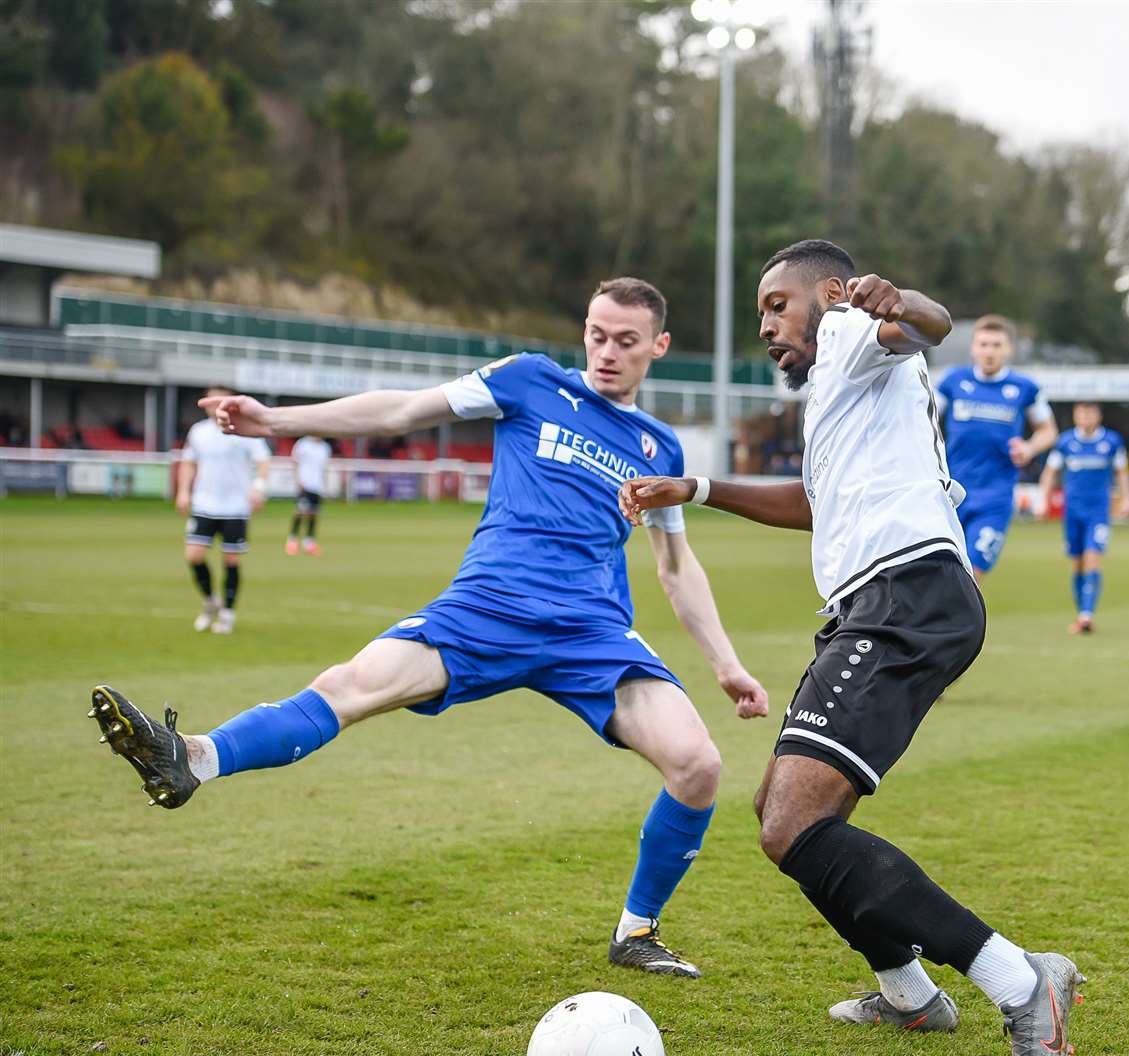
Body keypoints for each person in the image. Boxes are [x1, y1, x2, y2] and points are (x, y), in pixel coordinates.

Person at [89, 278, 769, 977]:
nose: (606, 352)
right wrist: (279, 422)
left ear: (657, 346)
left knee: (699, 765)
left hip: (590, 632)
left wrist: (726, 664)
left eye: (626, 341)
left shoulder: (660, 449)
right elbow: (402, 410)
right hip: (487, 608)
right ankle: (192, 757)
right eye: (597, 334)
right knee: (351, 685)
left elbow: (677, 567)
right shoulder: (529, 381)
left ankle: (636, 933)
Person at [620, 240, 1083, 1056]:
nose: (765, 324)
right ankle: (908, 993)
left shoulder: (849, 334)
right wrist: (699, 488)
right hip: (880, 603)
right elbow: (814, 502)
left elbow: (929, 326)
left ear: (828, 294)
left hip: (906, 593)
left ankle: (1024, 988)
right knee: (780, 814)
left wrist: (895, 298)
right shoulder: (839, 389)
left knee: (794, 821)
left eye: (775, 304)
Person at [932, 315, 1057, 579]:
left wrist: (1030, 448)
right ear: (973, 348)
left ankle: (957, 619)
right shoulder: (953, 381)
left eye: (996, 345)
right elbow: (924, 418)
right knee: (940, 572)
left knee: (972, 573)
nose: (989, 351)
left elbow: (1048, 431)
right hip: (950, 492)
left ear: (1009, 348)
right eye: (984, 344)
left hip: (995, 496)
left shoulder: (1024, 388)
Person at [177, 386, 270, 635]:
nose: (214, 404)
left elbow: (263, 460)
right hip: (204, 505)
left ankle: (227, 613)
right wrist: (183, 491)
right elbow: (188, 462)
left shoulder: (243, 430)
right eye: (210, 399)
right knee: (194, 556)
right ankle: (210, 601)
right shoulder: (199, 432)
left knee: (231, 560)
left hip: (235, 507)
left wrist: (259, 488)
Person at [1039, 403, 1129, 634]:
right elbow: (1050, 472)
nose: (1086, 417)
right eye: (1081, 413)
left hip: (1098, 512)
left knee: (1093, 559)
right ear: (1075, 416)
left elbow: (1122, 472)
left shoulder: (1111, 442)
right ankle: (1082, 611)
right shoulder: (1065, 442)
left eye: (1090, 413)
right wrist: (1042, 498)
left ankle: (1086, 615)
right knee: (1077, 565)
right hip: (1072, 513)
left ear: (1099, 416)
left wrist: (1127, 498)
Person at [286, 435, 334, 555]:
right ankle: (292, 541)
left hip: (317, 486)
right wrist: (298, 480)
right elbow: (295, 462)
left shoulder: (325, 447)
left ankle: (309, 542)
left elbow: (324, 468)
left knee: (314, 514)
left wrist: (325, 486)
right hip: (304, 484)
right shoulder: (303, 444)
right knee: (300, 512)